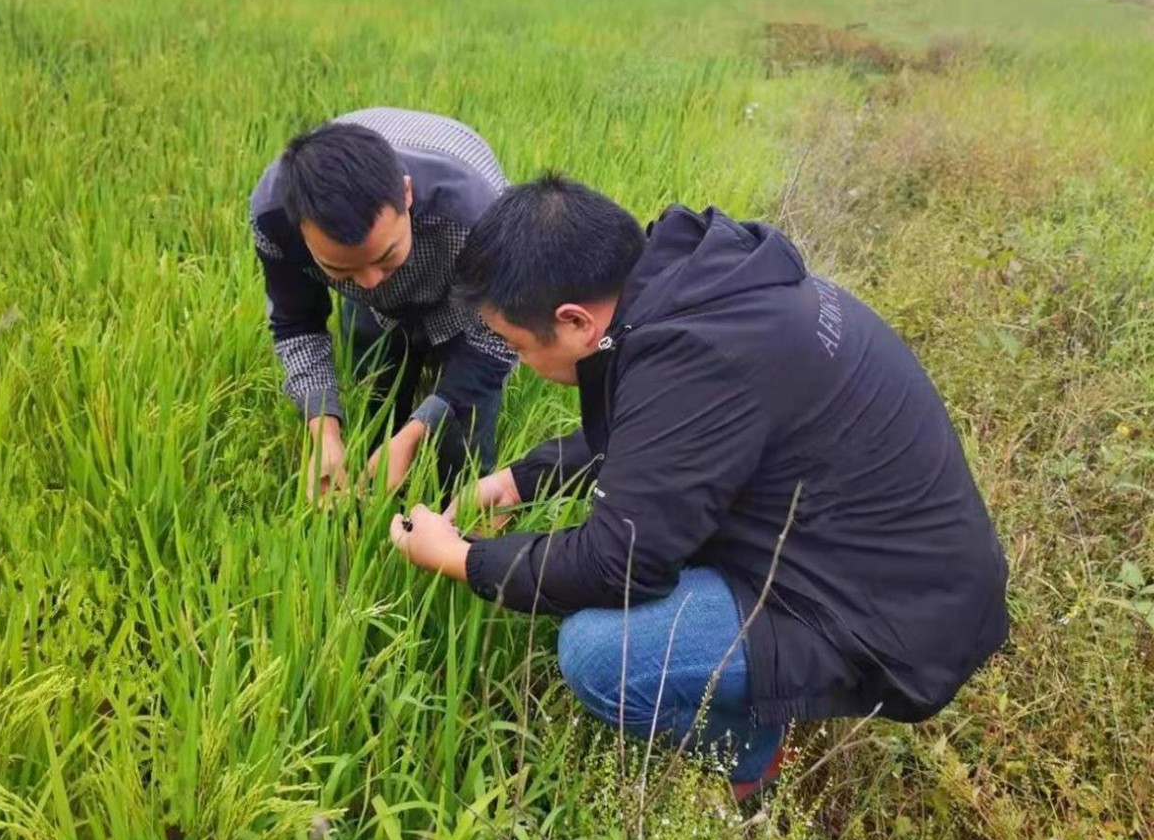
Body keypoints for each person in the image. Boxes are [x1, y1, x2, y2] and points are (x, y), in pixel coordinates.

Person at [388, 174, 1011, 798]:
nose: (518, 360)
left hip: (894, 611)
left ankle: (754, 767)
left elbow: (616, 564)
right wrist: (514, 483)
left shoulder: (692, 355)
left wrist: (460, 557)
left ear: (575, 321)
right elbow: (663, 434)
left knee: (602, 654)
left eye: (515, 345)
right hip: (894, 562)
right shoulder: (693, 288)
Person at [248, 107, 517, 501]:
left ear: (406, 194)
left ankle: (464, 530)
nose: (370, 282)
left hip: (461, 280)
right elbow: (297, 325)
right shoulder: (275, 218)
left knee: (462, 440)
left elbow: (496, 341)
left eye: (385, 256)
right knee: (376, 405)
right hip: (393, 291)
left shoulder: (478, 217)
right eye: (339, 268)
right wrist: (324, 432)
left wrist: (415, 433)